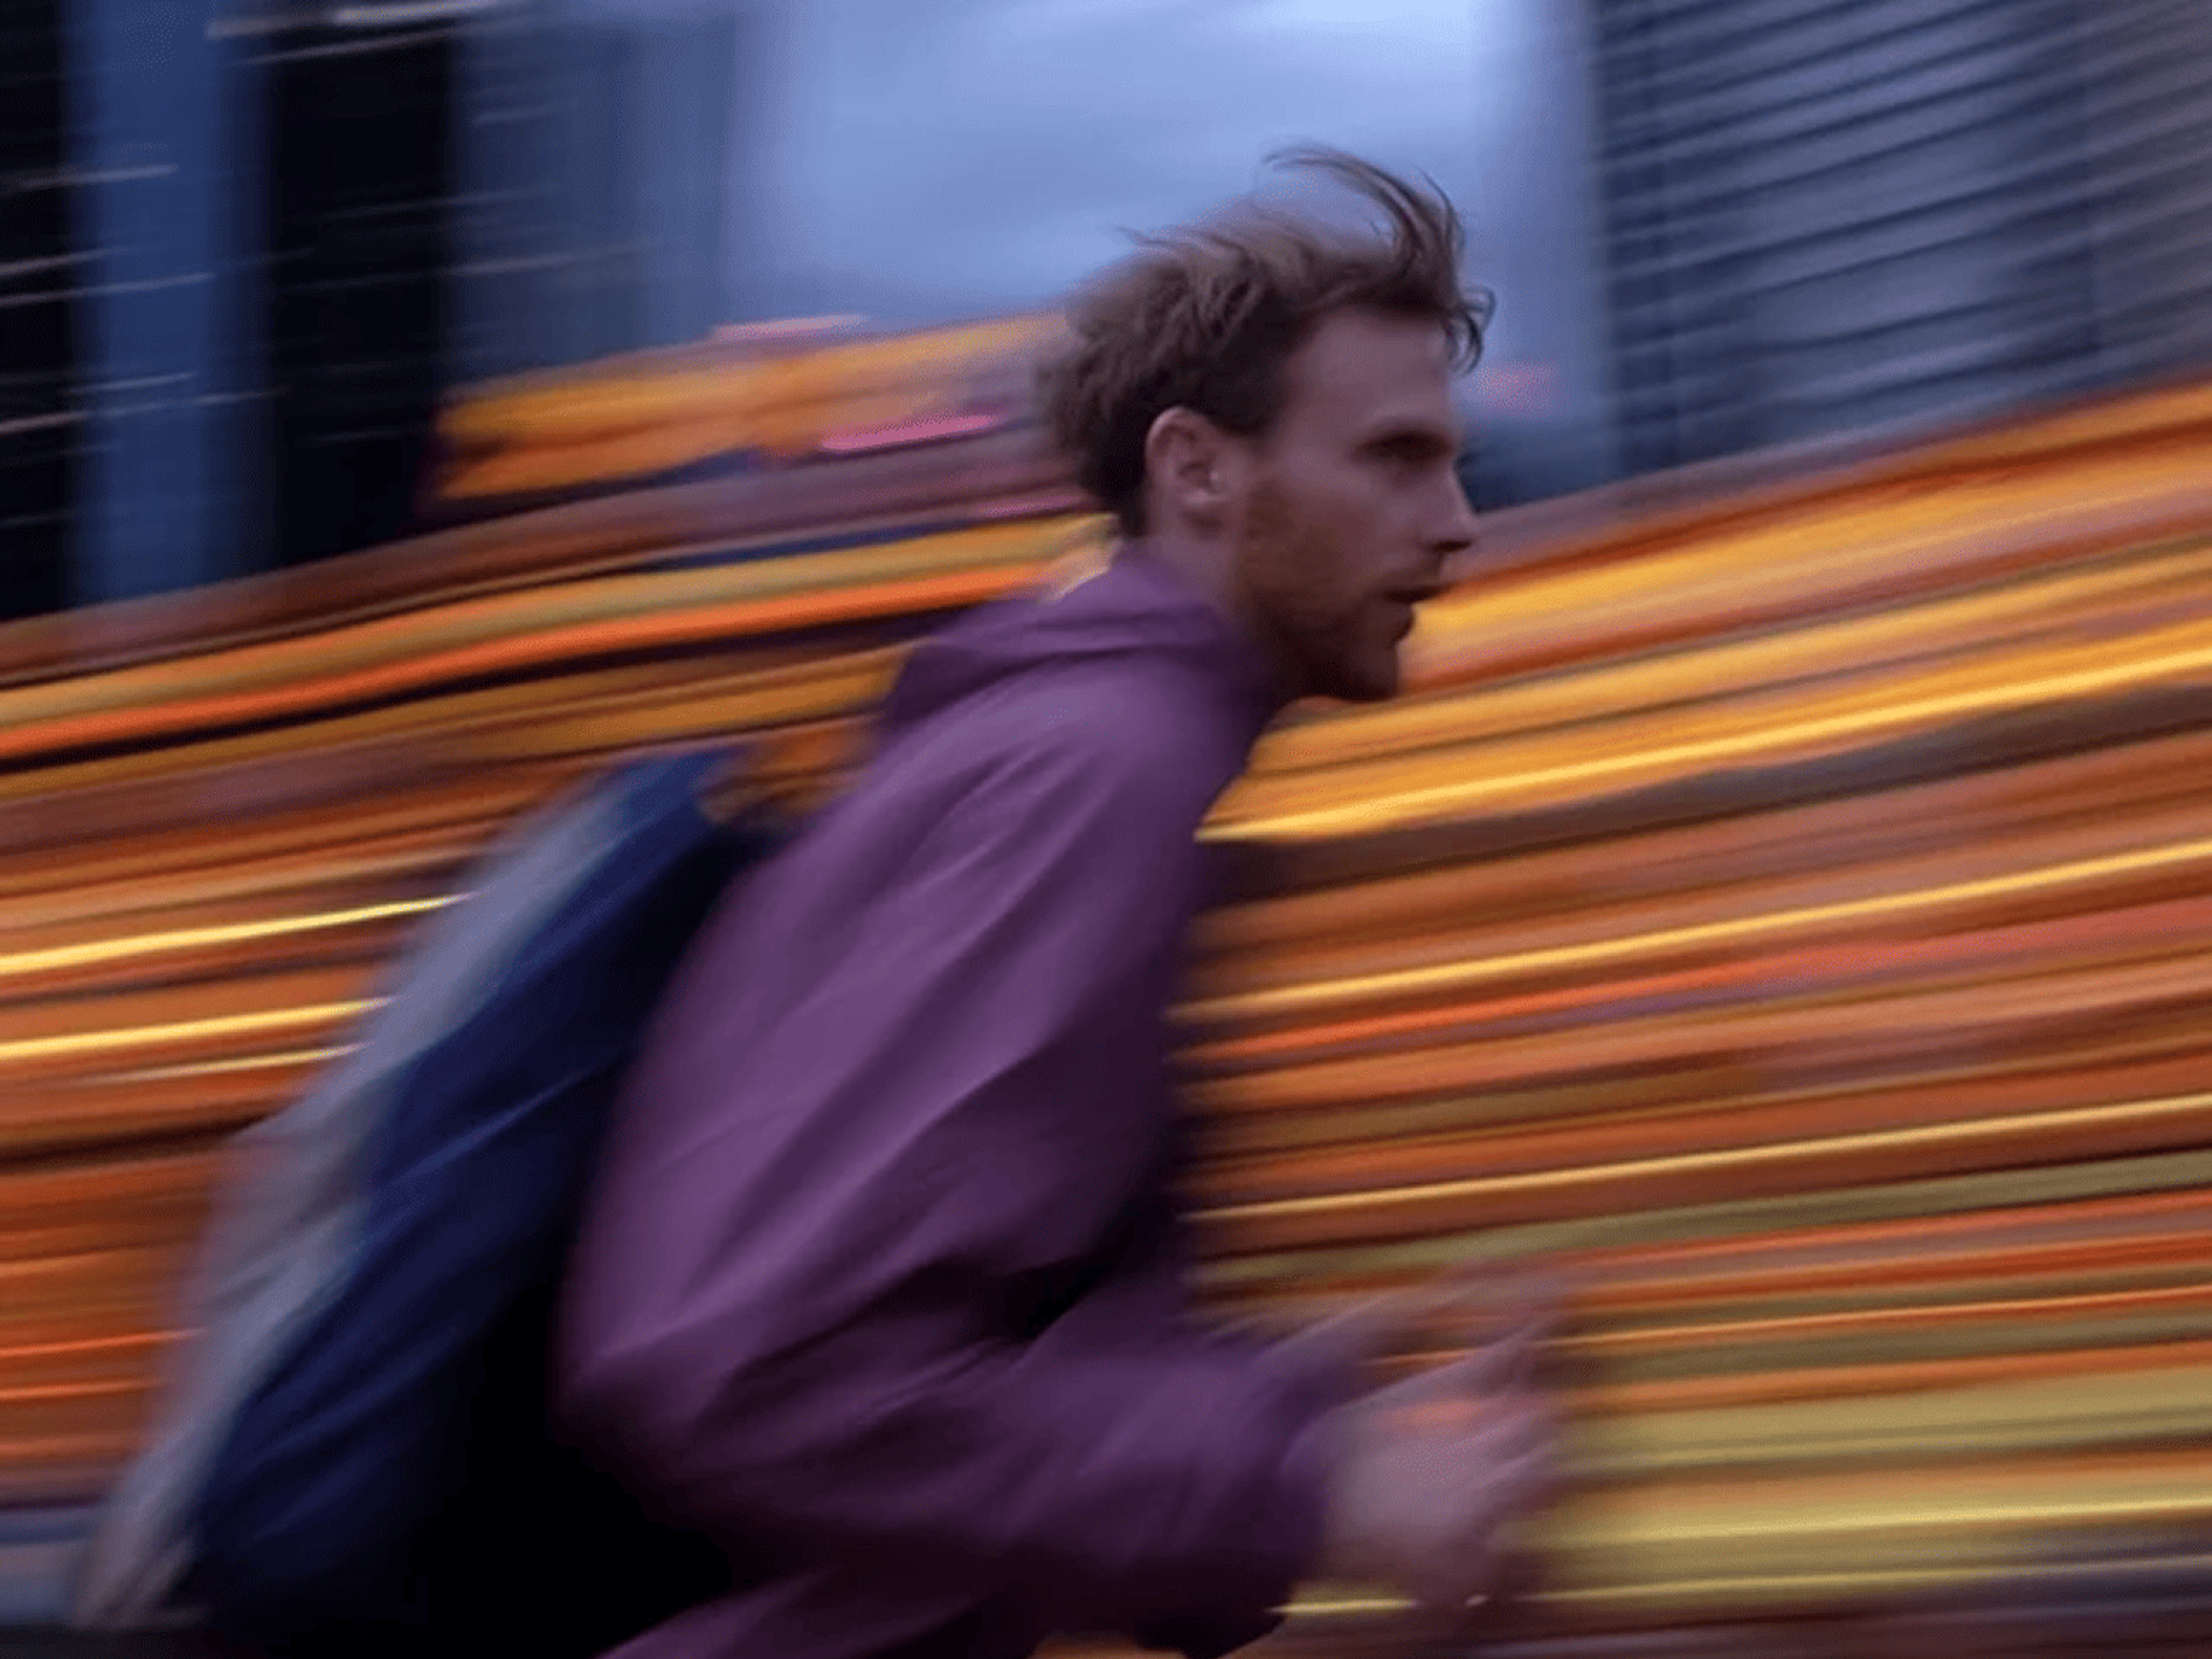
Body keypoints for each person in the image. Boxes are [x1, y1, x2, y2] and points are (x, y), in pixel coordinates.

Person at [556, 148, 1559, 1659]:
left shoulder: (1076, 748)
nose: (1457, 522)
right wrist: (1314, 1487)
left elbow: (946, 1337)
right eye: (1396, 459)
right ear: (1198, 469)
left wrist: (1282, 1405)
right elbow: (749, 1370)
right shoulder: (1093, 772)